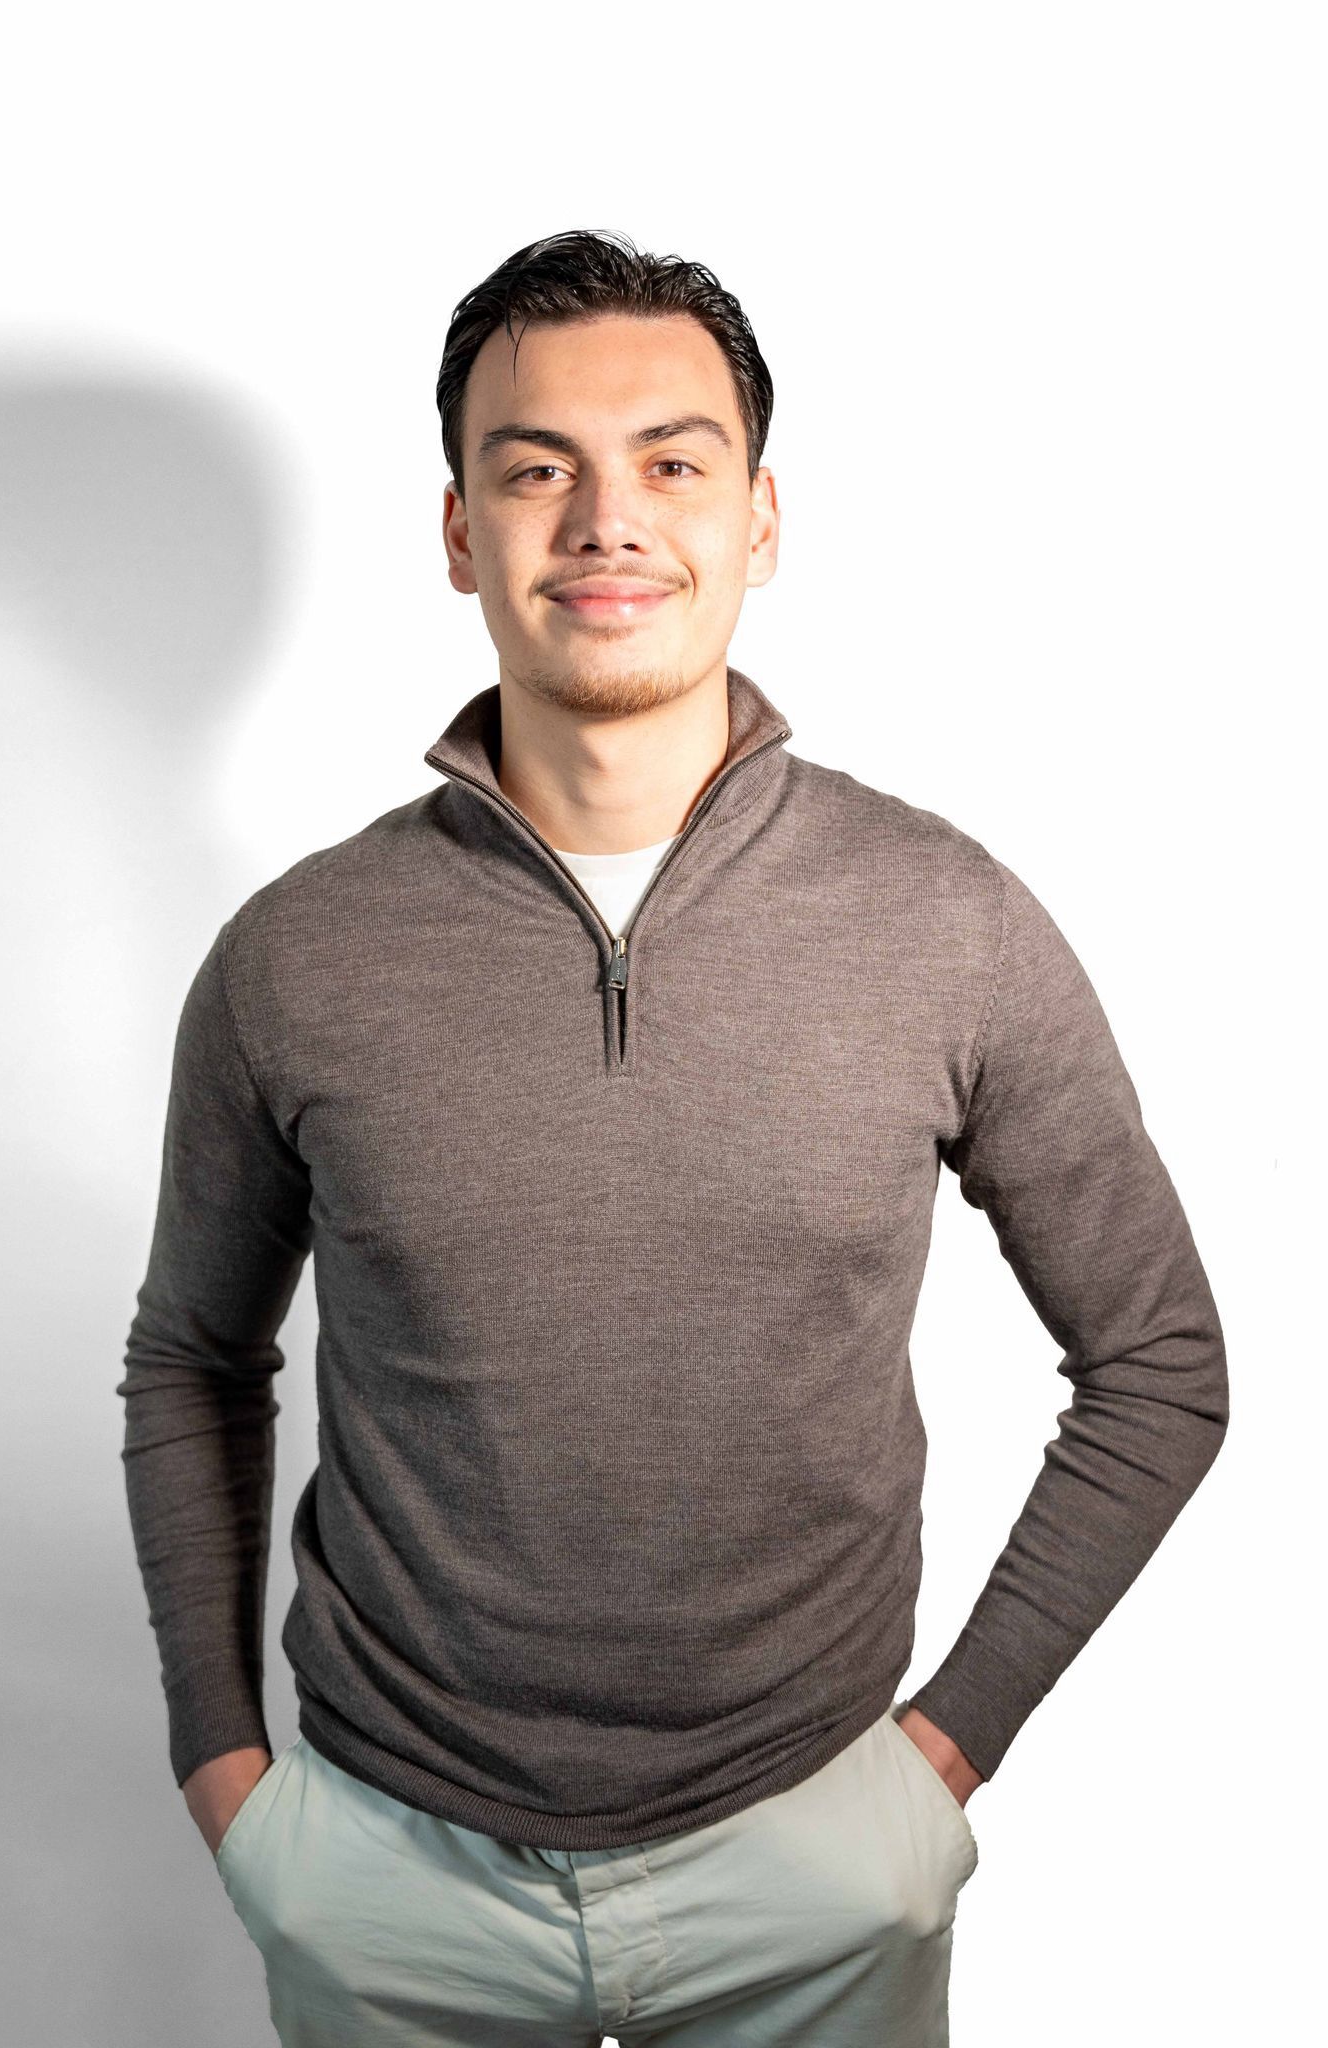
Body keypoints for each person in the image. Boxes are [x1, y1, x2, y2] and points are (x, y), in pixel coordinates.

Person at [118, 227, 1229, 2047]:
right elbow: (190, 1358)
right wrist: (223, 1768)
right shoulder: (296, 956)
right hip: (386, 1876)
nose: (606, 519)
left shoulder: (945, 921)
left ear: (760, 520)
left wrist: (940, 1762)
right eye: (535, 469)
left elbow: (1159, 1364)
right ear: (459, 532)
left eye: (672, 463)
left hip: (814, 1867)